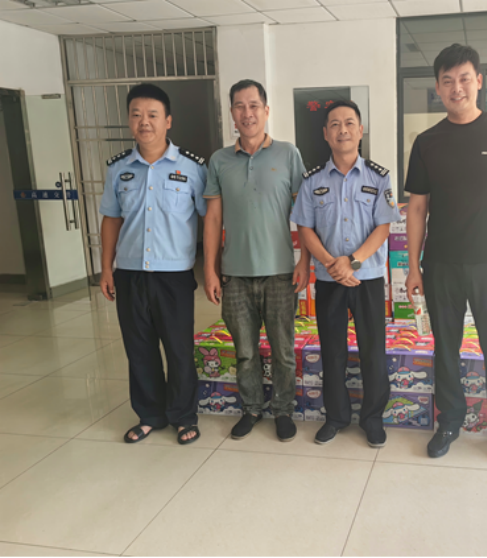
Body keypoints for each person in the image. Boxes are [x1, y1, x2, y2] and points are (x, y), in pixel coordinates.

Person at [404, 44, 487, 466]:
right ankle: (449, 422)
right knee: (445, 347)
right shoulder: (427, 142)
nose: (456, 88)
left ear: (479, 81)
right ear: (438, 88)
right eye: (447, 81)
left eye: (464, 79)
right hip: (441, 264)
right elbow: (417, 208)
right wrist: (413, 266)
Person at [99, 83, 207, 446]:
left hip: (174, 276)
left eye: (152, 115)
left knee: (179, 350)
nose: (144, 122)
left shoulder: (192, 168)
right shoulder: (118, 169)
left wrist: (211, 268)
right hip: (130, 273)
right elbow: (111, 219)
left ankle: (183, 415)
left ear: (168, 121)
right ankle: (150, 415)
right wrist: (106, 268)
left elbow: (210, 218)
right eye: (136, 115)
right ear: (129, 120)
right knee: (139, 348)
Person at [203, 80, 310, 443]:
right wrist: (210, 270)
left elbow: (304, 214)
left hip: (280, 272)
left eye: (253, 105)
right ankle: (251, 408)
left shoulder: (288, 154)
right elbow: (213, 219)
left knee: (283, 351)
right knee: (245, 352)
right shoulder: (219, 160)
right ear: (231, 113)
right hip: (234, 274)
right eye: (239, 106)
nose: (246, 113)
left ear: (266, 111)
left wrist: (304, 260)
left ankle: (282, 410)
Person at [291, 100, 401, 448]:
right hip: (329, 281)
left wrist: (351, 262)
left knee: (373, 351)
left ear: (360, 130)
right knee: (333, 351)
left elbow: (384, 226)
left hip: (367, 277)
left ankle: (372, 419)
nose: (343, 130)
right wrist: (330, 264)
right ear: (325, 134)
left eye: (349, 123)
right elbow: (305, 227)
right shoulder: (312, 180)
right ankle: (336, 417)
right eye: (335, 124)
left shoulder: (378, 177)